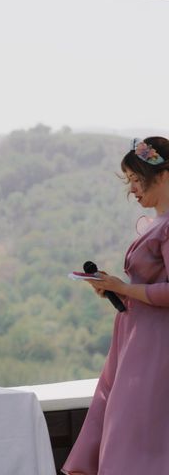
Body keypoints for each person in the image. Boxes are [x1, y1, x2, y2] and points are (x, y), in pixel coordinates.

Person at [63, 136, 169, 474]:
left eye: (137, 180)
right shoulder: (158, 225)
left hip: (156, 346)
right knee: (122, 422)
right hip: (136, 338)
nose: (132, 190)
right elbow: (150, 288)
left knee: (135, 428)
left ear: (164, 175)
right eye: (130, 181)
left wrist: (124, 287)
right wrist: (117, 290)